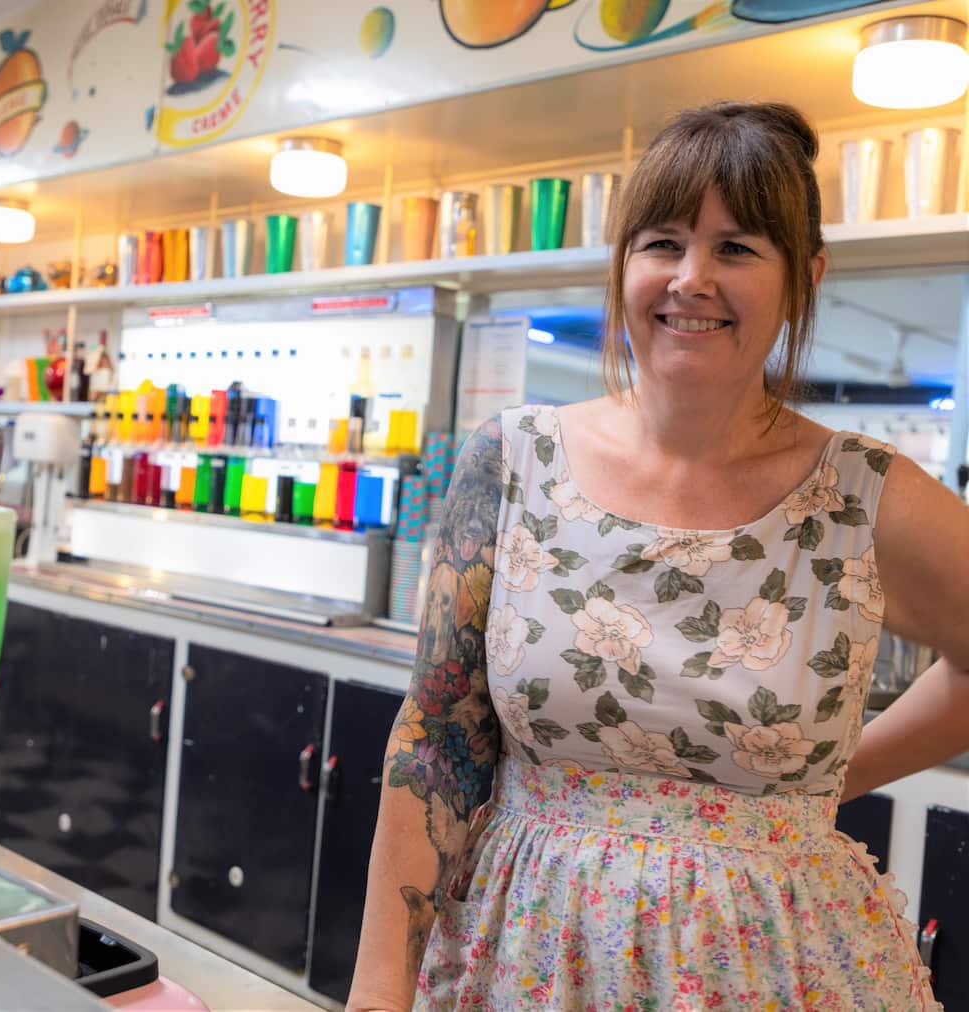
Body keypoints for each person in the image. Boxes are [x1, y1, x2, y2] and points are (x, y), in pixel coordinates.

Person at [348, 101, 968, 1010]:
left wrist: (838, 773)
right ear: (623, 264)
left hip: (772, 971)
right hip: (525, 956)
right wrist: (378, 991)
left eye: (739, 248)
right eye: (663, 242)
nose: (692, 278)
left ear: (805, 278)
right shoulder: (512, 459)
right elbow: (439, 739)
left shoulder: (864, 496)